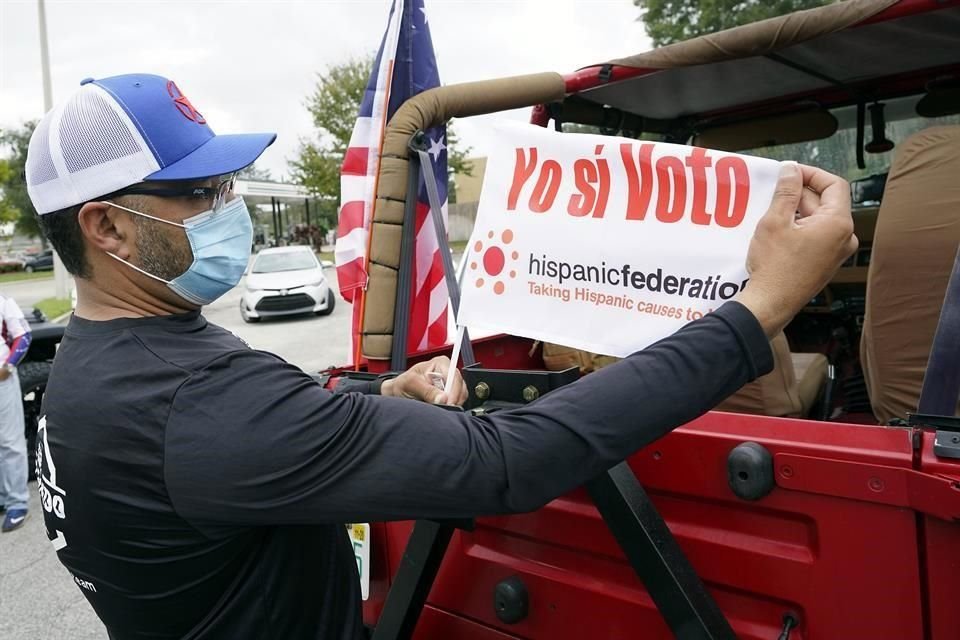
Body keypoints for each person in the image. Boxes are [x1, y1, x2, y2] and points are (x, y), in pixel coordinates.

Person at [26, 74, 856, 640]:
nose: (229, 206)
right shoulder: (198, 399)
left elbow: (238, 448)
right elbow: (514, 462)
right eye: (203, 193)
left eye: (232, 183)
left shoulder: (97, 363)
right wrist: (763, 306)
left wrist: (384, 394)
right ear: (107, 227)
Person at [0, 291, 32, 532]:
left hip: (2, 381)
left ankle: (17, 503)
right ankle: (3, 496)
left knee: (10, 442)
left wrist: (8, 366)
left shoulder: (3, 300)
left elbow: (23, 335)